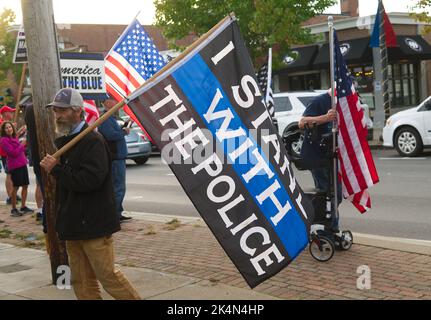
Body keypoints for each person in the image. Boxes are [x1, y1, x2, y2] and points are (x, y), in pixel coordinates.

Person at [40, 87, 140, 300]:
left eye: (63, 110)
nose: (57, 115)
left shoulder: (94, 142)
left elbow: (89, 181)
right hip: (72, 225)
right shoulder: (64, 143)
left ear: (78, 111)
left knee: (108, 276)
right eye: (55, 110)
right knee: (82, 282)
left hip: (94, 224)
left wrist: (57, 169)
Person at [298, 89, 341, 231]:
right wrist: (325, 118)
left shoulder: (342, 102)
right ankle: (326, 228)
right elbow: (302, 123)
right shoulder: (319, 101)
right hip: (318, 155)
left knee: (335, 194)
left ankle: (324, 225)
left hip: (332, 156)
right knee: (328, 193)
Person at [98, 96, 131, 222]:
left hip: (117, 157)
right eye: (114, 100)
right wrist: (124, 132)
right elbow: (110, 135)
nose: (117, 103)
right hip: (115, 158)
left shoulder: (110, 118)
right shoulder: (106, 118)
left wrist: (122, 129)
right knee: (118, 188)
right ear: (107, 102)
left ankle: (117, 212)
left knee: (117, 187)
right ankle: (114, 215)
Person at [0, 121, 33, 216]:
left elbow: (18, 146)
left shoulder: (13, 137)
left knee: (25, 185)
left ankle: (23, 206)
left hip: (22, 164)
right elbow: (13, 153)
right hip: (15, 166)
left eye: (10, 127)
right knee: (16, 187)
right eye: (6, 128)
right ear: (3, 130)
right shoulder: (3, 140)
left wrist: (20, 135)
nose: (9, 129)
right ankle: (14, 209)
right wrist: (22, 145)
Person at [0, 105, 20, 205]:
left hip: (10, 153)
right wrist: (12, 128)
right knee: (9, 174)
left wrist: (17, 131)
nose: (12, 113)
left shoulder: (7, 124)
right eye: (10, 112)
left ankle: (13, 194)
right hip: (5, 154)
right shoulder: (1, 124)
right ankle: (10, 196)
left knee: (12, 174)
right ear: (5, 114)